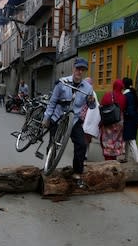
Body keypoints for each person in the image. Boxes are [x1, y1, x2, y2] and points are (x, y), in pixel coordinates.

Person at [42, 57, 95, 188]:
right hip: (58, 117)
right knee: (53, 143)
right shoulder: (62, 83)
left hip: (74, 119)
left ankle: (77, 173)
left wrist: (91, 101)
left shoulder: (88, 87)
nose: (80, 72)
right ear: (73, 68)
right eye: (78, 69)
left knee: (82, 144)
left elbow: (91, 106)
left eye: (83, 70)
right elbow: (53, 101)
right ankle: (48, 167)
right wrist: (46, 118)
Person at [99, 79, 126, 161]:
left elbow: (101, 106)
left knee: (107, 140)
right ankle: (114, 158)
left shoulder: (108, 95)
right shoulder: (124, 97)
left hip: (109, 122)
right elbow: (124, 108)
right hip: (119, 122)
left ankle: (107, 159)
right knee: (116, 141)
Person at [79, 77, 100, 161]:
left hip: (86, 119)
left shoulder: (92, 93)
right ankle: (84, 153)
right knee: (83, 138)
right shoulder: (84, 91)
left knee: (86, 138)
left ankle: (85, 154)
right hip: (83, 118)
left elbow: (94, 107)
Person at [122, 77, 138, 162]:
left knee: (132, 140)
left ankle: (137, 161)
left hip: (129, 119)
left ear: (124, 85)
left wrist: (125, 114)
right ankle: (126, 158)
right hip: (134, 119)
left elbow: (128, 109)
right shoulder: (133, 94)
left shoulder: (126, 95)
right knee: (128, 139)